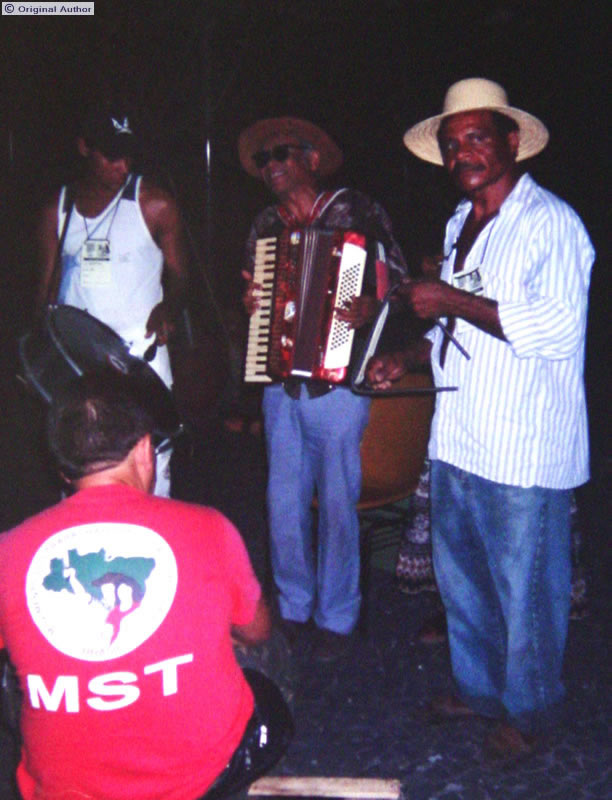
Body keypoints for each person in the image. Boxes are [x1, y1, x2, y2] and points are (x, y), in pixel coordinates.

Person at [367, 78, 594, 758]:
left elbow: (554, 330)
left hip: (524, 447)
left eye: (478, 137)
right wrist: (406, 355)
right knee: (462, 579)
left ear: (512, 142)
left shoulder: (551, 223)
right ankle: (480, 688)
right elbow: (448, 331)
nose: (464, 152)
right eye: (452, 142)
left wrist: (449, 300)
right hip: (461, 438)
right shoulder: (457, 225)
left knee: (526, 593)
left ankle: (529, 713)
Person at [0, 370, 292, 800]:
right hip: (199, 781)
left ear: (63, 470)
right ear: (144, 450)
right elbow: (257, 631)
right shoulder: (208, 527)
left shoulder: (8, 552)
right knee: (269, 647)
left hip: (61, 789)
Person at [238, 117, 407, 661]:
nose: (270, 167)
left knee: (338, 501)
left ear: (312, 158)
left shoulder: (358, 211)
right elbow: (256, 293)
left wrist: (372, 304)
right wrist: (253, 310)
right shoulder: (265, 223)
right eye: (263, 160)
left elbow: (400, 281)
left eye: (280, 154)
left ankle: (338, 614)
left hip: (340, 380)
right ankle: (291, 606)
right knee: (282, 501)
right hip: (280, 380)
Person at [34, 103, 189, 497]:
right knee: (87, 478)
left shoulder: (155, 204)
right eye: (112, 155)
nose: (123, 166)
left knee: (151, 475)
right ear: (85, 148)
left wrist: (169, 307)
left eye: (128, 155)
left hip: (141, 361)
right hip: (81, 366)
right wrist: (40, 350)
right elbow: (46, 290)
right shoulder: (59, 210)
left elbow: (181, 277)